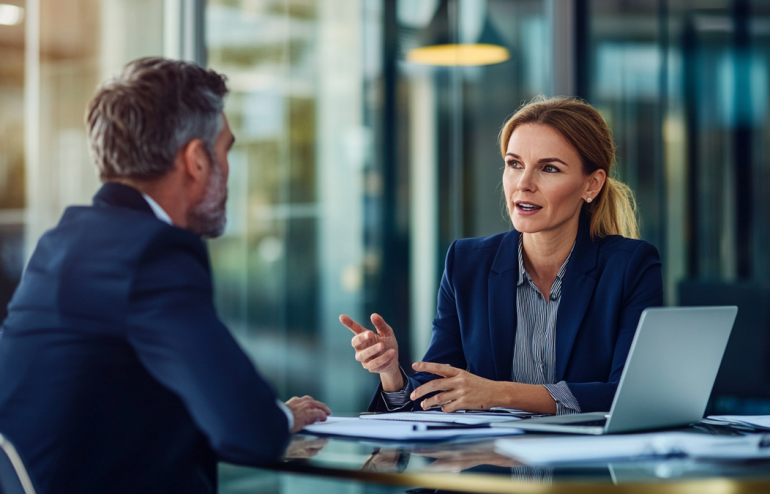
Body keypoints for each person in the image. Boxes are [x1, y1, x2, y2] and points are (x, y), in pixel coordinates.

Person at [0, 57, 330, 493]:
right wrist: (278, 417)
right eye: (226, 150)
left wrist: (265, 413)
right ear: (196, 159)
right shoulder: (151, 254)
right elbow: (249, 432)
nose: (229, 171)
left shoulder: (64, 242)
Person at [341, 96, 663, 415]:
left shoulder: (630, 267)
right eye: (514, 164)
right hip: (490, 464)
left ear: (591, 185)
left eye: (549, 168)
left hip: (584, 465)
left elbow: (630, 395)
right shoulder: (466, 263)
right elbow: (438, 390)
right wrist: (391, 375)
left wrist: (499, 393)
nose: (523, 184)